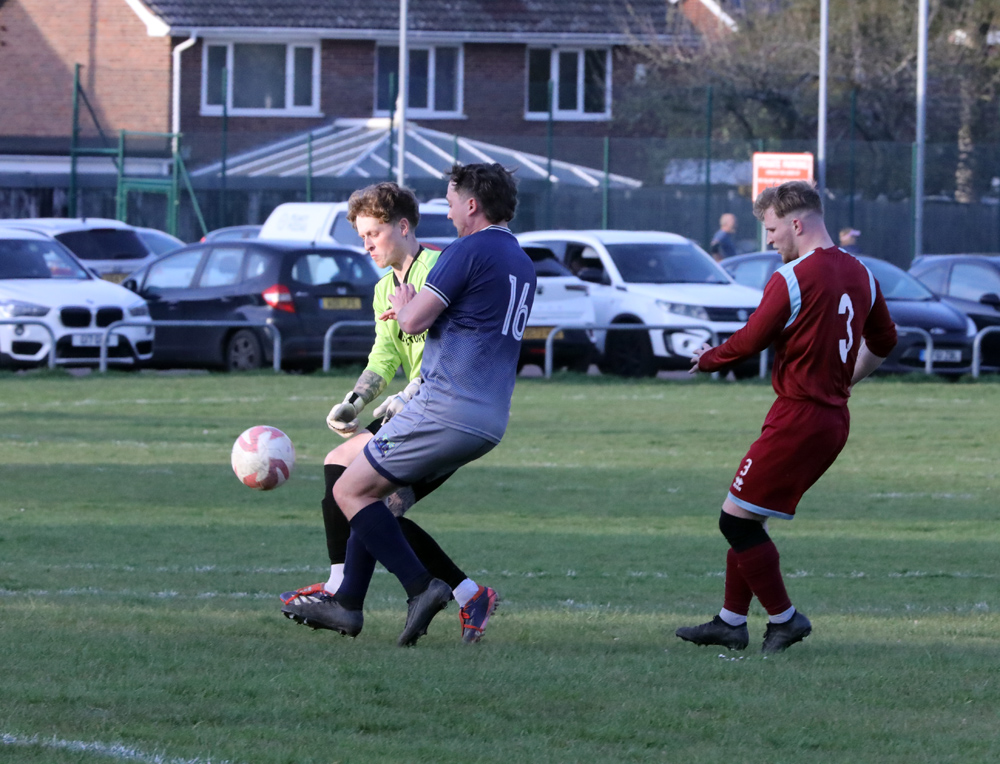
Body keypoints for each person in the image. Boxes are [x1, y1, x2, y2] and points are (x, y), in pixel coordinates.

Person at [286, 163, 535, 648]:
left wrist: (405, 312)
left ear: (471, 204)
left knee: (352, 490)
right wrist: (357, 399)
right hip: (488, 415)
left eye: (451, 202)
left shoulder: (461, 252)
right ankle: (361, 598)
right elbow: (395, 350)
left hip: (443, 407)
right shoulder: (520, 260)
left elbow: (414, 323)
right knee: (366, 493)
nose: (448, 212)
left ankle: (410, 589)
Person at [677, 181, 897, 653]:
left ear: (796, 224)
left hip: (799, 417)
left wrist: (708, 358)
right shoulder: (862, 272)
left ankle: (785, 618)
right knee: (749, 516)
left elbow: (753, 337)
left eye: (772, 229)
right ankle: (731, 622)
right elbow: (884, 340)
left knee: (735, 522)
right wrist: (846, 380)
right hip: (832, 419)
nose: (769, 239)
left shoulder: (792, 277)